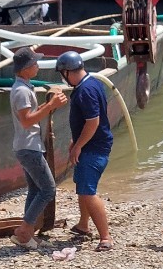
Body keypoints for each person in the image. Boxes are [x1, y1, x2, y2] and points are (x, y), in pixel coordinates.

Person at [9, 47, 67, 249]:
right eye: (34, 64)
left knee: (35, 189)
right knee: (48, 189)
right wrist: (50, 107)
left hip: (27, 146)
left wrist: (50, 104)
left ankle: (27, 235)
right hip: (29, 147)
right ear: (25, 68)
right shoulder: (22, 91)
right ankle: (24, 232)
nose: (37, 66)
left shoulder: (24, 87)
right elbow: (27, 121)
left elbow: (31, 116)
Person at [56, 50, 113, 250]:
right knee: (81, 184)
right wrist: (76, 140)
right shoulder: (92, 83)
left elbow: (93, 121)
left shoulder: (85, 90)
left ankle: (105, 237)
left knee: (88, 191)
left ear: (67, 72)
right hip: (91, 143)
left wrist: (79, 145)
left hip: (94, 147)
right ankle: (83, 225)